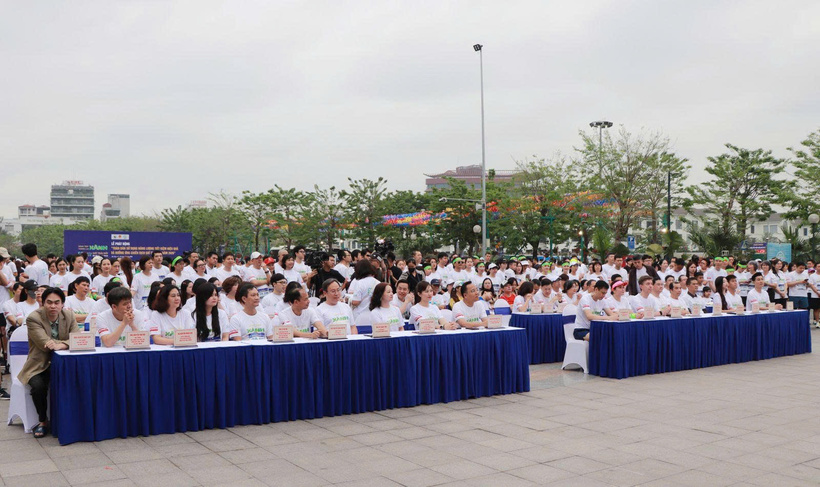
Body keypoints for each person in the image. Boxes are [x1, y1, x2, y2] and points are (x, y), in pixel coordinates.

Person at [18, 287, 80, 438]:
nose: (53, 306)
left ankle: (74, 419)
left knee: (81, 380)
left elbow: (77, 339)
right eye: (49, 302)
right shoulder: (33, 318)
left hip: (64, 364)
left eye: (57, 302)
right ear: (43, 303)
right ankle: (42, 421)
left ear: (62, 304)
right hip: (39, 365)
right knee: (38, 386)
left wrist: (61, 345)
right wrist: (66, 342)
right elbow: (44, 344)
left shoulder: (70, 315)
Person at [350, 259, 380, 326]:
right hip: (375, 316)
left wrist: (348, 299)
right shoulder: (378, 283)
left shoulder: (359, 283)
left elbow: (356, 302)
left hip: (360, 316)